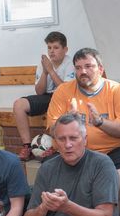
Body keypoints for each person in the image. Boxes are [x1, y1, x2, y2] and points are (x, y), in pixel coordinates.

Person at [45, 47, 120, 214]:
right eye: (78, 67)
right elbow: (52, 130)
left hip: (111, 152)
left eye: (88, 66)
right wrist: (68, 122)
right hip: (74, 152)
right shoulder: (63, 91)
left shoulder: (116, 90)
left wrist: (100, 122)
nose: (83, 71)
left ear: (100, 69)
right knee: (48, 171)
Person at [13, 31, 75, 161]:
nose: (51, 51)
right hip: (47, 97)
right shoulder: (44, 63)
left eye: (56, 47)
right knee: (19, 104)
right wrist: (45, 72)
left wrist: (51, 70)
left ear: (65, 49)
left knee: (66, 106)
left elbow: (66, 91)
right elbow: (39, 92)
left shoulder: (70, 63)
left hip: (64, 98)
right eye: (49, 47)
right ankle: (27, 146)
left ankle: (55, 146)